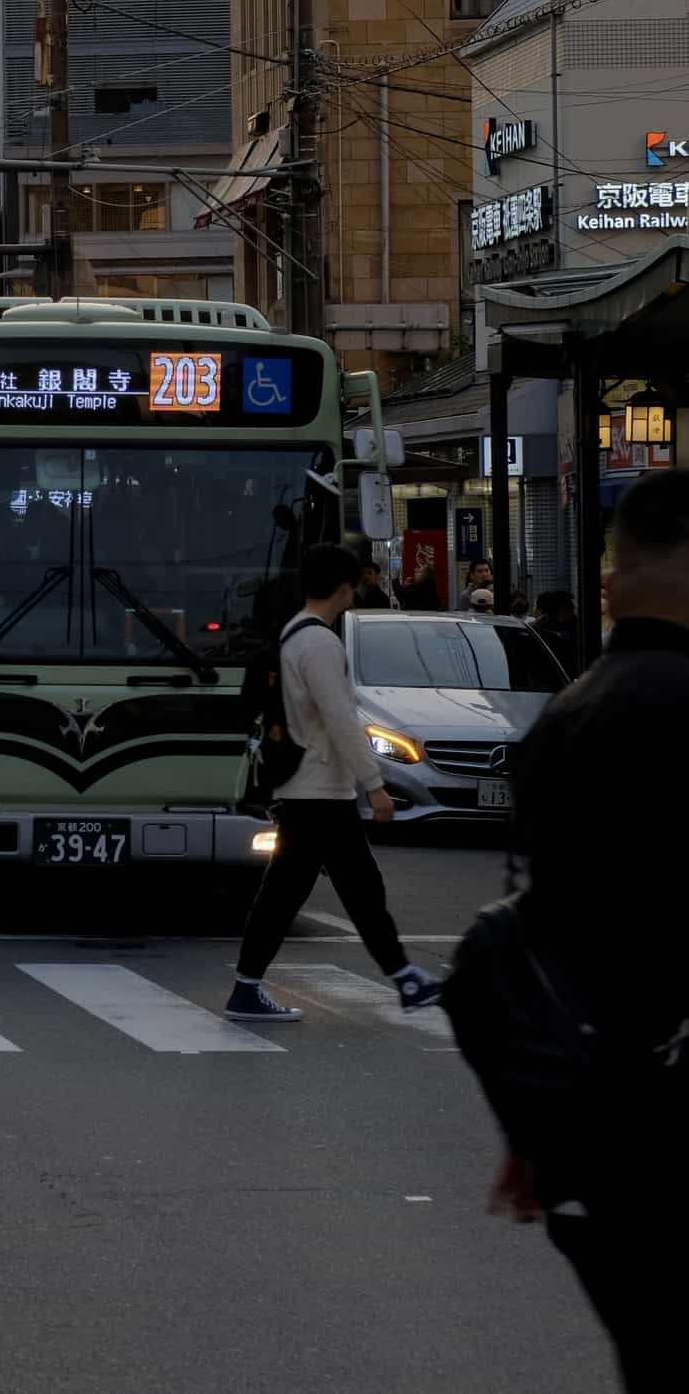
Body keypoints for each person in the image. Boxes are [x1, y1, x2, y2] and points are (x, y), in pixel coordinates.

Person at [477, 471, 688, 1391]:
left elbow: (541, 945)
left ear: (614, 578)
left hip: (599, 1138)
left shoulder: (564, 721)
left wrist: (536, 1129)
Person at [225, 542, 444, 1021]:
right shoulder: (319, 642)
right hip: (320, 788)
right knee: (350, 888)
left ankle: (249, 986)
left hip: (307, 788)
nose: (358, 590)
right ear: (344, 587)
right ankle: (404, 977)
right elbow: (342, 719)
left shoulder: (293, 635)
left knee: (296, 891)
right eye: (357, 582)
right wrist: (374, 784)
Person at [532, 589, 582, 677]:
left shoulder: (535, 630)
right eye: (569, 608)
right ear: (561, 610)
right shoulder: (578, 629)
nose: (573, 613)